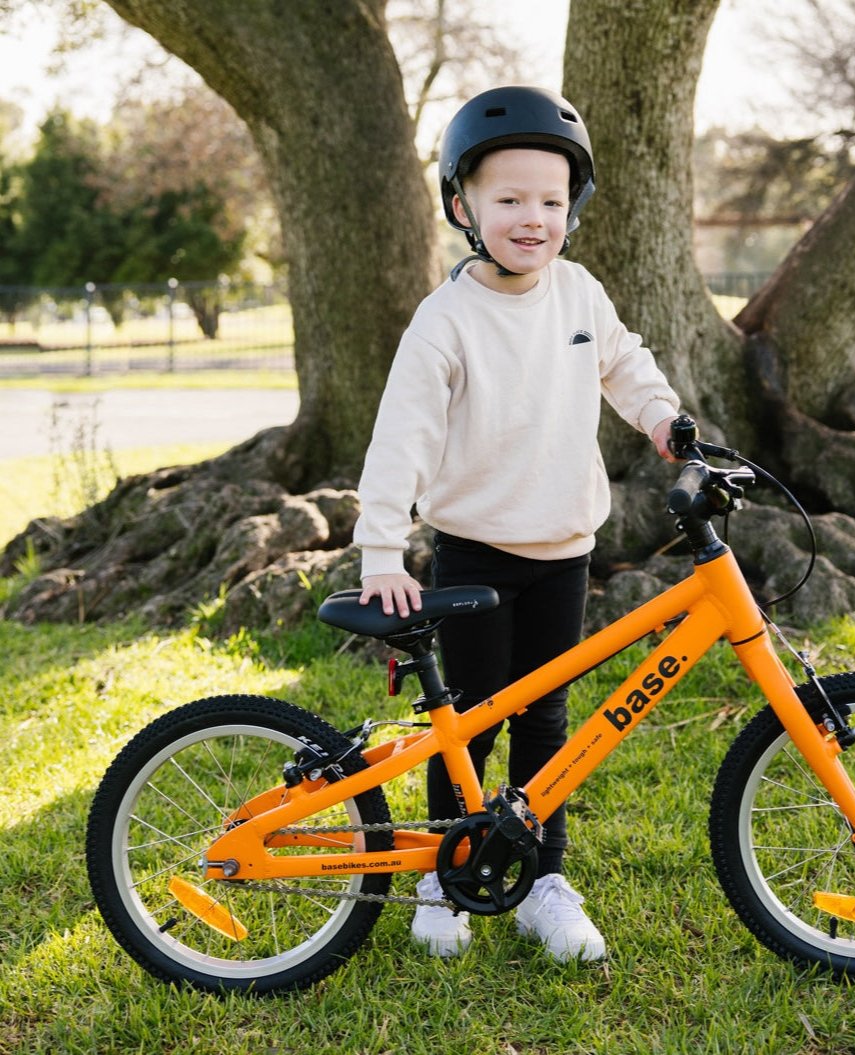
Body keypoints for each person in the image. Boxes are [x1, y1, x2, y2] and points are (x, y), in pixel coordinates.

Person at [354, 85, 681, 962]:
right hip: (472, 551)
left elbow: (626, 365)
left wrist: (661, 419)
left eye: (549, 200)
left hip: (563, 550)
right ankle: (444, 870)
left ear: (572, 208)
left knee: (545, 721)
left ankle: (542, 877)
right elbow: (402, 439)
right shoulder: (445, 320)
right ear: (463, 206)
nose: (531, 218)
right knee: (467, 718)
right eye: (507, 200)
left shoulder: (578, 292)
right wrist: (382, 548)